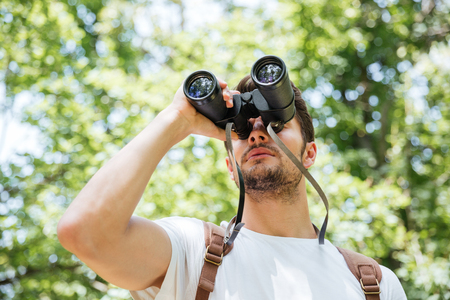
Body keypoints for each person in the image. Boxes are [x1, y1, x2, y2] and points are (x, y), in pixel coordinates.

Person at [57, 73, 407, 300]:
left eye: (275, 124)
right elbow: (85, 234)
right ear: (229, 165)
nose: (256, 132)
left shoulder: (374, 283)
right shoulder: (194, 253)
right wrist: (177, 119)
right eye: (242, 129)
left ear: (310, 152)